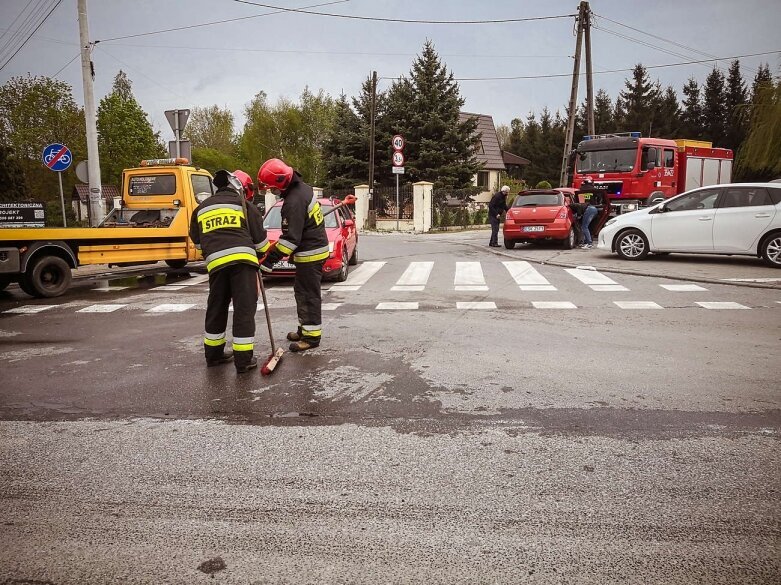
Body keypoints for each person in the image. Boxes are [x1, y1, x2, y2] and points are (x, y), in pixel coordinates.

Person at [189, 170, 270, 374]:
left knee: (216, 307)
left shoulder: (201, 208)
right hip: (243, 264)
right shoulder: (245, 206)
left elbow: (197, 242)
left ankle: (213, 355)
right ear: (241, 188)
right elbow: (261, 244)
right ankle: (243, 360)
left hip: (216, 265)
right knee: (244, 310)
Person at [257, 158, 329, 353]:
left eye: (272, 187)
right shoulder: (303, 189)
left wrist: (268, 263)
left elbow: (290, 240)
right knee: (302, 292)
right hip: (311, 248)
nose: (271, 191)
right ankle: (304, 329)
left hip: (310, 254)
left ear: (281, 182)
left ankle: (312, 337)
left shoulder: (293, 202)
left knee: (308, 295)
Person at [578, 178, 599, 249]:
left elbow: (580, 202)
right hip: (594, 208)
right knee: (589, 226)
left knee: (584, 226)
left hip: (587, 209)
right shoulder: (594, 190)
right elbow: (599, 198)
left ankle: (589, 243)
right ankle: (587, 242)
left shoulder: (580, 190)